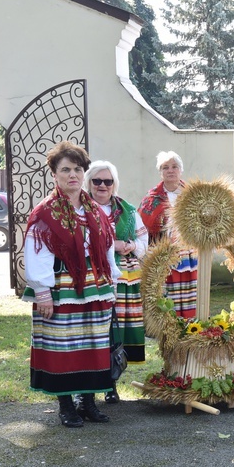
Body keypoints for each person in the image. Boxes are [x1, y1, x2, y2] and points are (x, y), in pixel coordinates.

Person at [22, 141, 120, 428]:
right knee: (63, 346)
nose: (72, 175)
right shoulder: (45, 213)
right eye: (65, 169)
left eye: (77, 169)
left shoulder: (95, 210)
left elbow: (108, 249)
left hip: (95, 286)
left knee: (93, 342)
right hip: (61, 287)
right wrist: (43, 292)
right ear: (55, 174)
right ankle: (66, 405)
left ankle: (88, 402)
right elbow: (36, 254)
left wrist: (111, 282)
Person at [84, 160, 149, 404]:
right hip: (93, 277)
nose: (102, 186)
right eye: (97, 181)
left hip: (125, 280)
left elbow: (144, 244)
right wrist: (111, 245)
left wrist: (129, 245)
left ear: (114, 184)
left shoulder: (129, 211)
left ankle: (111, 383)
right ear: (88, 183)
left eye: (107, 181)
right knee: (96, 331)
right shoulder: (81, 209)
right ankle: (90, 384)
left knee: (117, 332)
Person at [138, 151, 197, 319]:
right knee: (166, 294)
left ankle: (189, 328)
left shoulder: (194, 194)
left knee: (188, 293)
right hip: (162, 254)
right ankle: (167, 330)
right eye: (165, 167)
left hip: (188, 254)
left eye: (174, 167)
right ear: (160, 172)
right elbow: (142, 225)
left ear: (181, 170)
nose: (170, 170)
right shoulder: (151, 198)